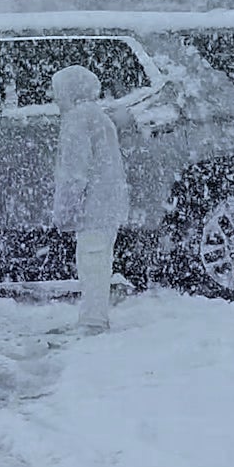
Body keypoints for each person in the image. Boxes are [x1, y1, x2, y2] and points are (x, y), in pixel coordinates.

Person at [51, 65, 129, 332]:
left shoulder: (76, 120)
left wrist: (65, 211)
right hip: (109, 204)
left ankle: (93, 321)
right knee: (100, 262)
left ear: (71, 92)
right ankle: (95, 317)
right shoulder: (100, 117)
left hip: (92, 207)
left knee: (91, 263)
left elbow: (74, 174)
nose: (55, 99)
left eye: (58, 92)